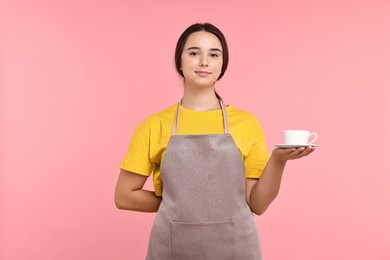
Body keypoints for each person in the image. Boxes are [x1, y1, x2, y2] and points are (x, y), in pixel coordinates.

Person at [114, 22, 315, 260]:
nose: (204, 61)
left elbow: (257, 204)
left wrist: (279, 160)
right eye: (194, 53)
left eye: (214, 54)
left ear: (222, 64)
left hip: (237, 248)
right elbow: (124, 196)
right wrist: (179, 206)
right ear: (179, 61)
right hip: (173, 248)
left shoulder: (246, 124)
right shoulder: (153, 126)